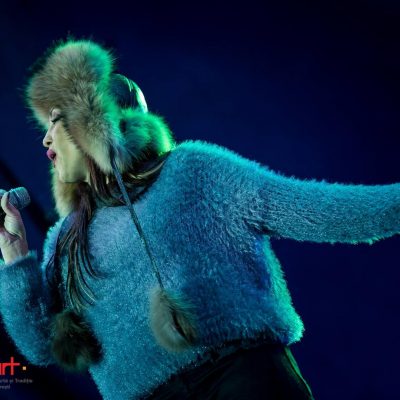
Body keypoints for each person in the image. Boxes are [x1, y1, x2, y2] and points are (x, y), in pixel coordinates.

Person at [0, 38, 399, 400]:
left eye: (55, 119)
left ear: (96, 120)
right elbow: (40, 347)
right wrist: (16, 262)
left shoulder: (192, 171)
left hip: (242, 380)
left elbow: (317, 210)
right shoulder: (65, 241)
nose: (45, 138)